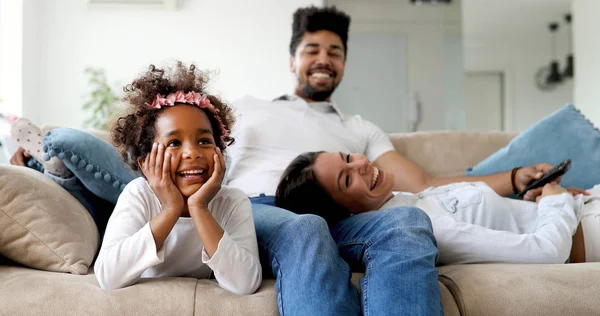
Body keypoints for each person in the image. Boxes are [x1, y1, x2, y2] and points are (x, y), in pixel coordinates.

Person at [11, 6, 442, 315]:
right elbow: (171, 145)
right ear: (292, 59)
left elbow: (421, 180)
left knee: (408, 222)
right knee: (303, 227)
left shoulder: (361, 129)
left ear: (345, 64)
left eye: (335, 52)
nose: (324, 59)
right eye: (313, 49)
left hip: (335, 212)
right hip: (266, 207)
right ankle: (49, 157)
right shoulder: (244, 108)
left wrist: (503, 179)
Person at [92, 62, 262, 293]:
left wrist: (199, 208)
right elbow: (108, 277)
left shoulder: (232, 201)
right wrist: (171, 209)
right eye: (174, 143)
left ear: (219, 152)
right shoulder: (138, 194)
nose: (192, 153)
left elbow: (246, 284)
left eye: (204, 141)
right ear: (145, 162)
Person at [275, 151, 600, 265]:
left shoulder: (407, 199)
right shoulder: (423, 229)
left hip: (583, 207)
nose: (360, 164)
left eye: (348, 157)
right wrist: (555, 201)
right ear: (344, 214)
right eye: (346, 181)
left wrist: (546, 201)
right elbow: (546, 252)